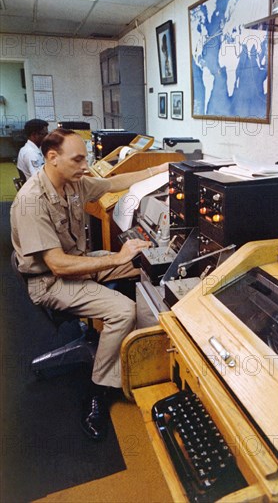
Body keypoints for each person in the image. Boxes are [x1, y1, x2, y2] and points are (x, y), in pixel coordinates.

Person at [10, 128, 169, 441]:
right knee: (123, 310)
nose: (85, 165)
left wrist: (159, 170)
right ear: (52, 158)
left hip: (77, 262)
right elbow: (57, 264)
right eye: (78, 158)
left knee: (148, 263)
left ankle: (148, 355)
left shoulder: (73, 183)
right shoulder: (30, 202)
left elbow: (112, 183)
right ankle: (99, 390)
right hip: (50, 281)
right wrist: (116, 258)